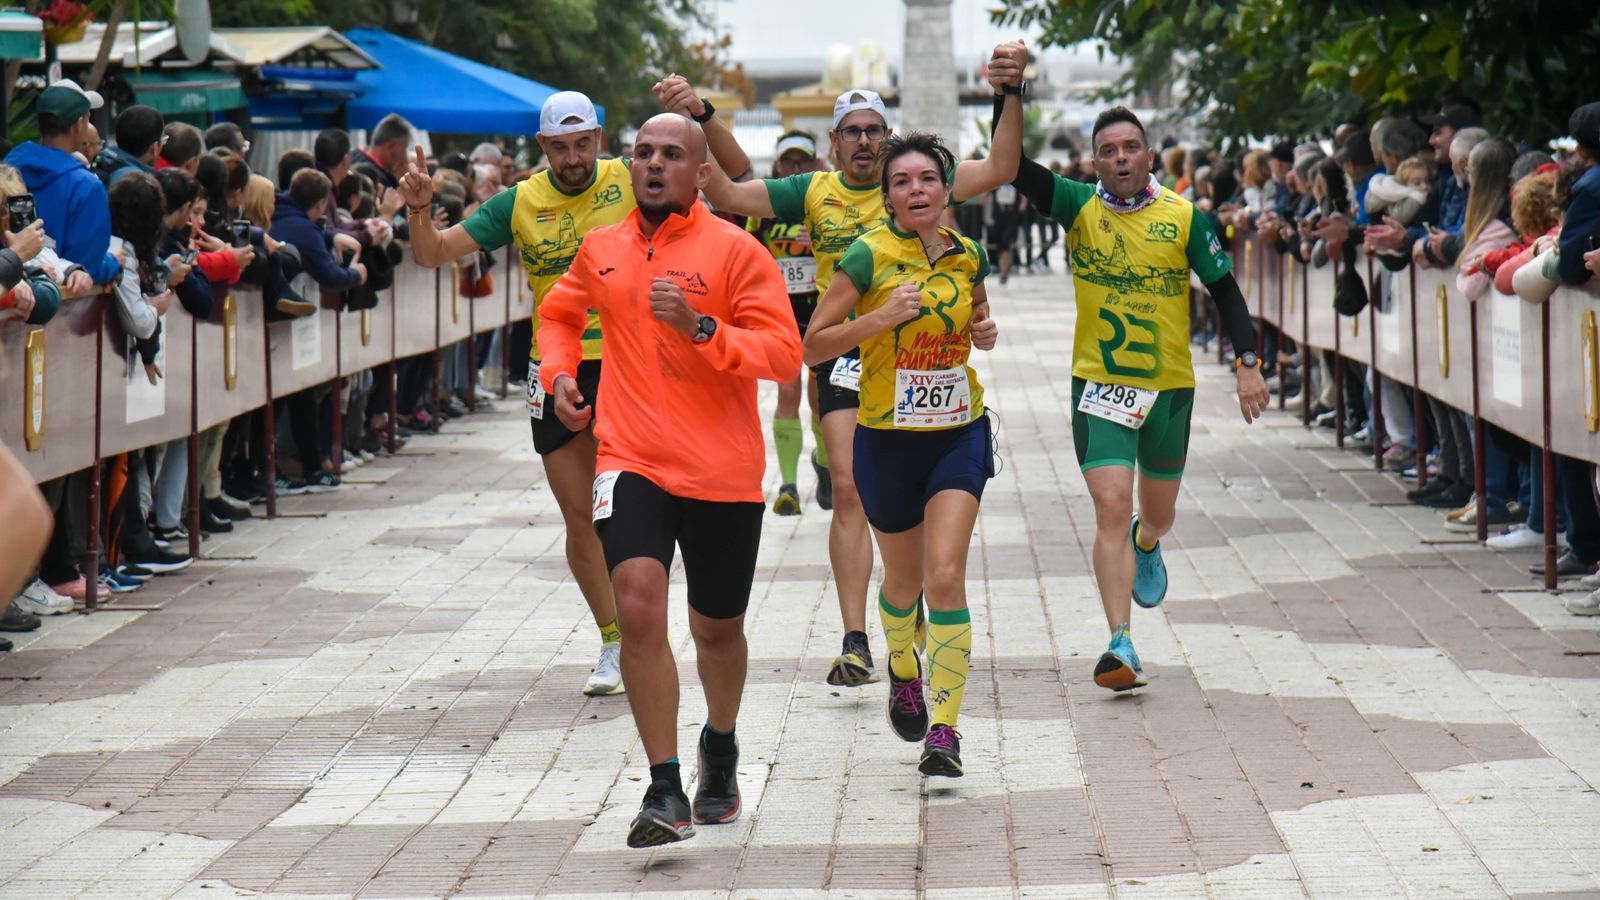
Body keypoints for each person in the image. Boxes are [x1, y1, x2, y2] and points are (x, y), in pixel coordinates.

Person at [652, 39, 1027, 688]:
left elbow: (999, 165)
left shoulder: (922, 180)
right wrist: (704, 115)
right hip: (847, 355)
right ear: (832, 143)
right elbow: (738, 196)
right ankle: (855, 637)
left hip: (921, 369)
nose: (863, 143)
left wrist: (1010, 91)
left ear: (889, 140)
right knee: (849, 489)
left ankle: (893, 617)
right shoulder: (813, 191)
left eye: (874, 132)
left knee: (887, 519)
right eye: (851, 133)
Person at [537, 112, 801, 847]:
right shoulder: (602, 248)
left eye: (672, 155)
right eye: (644, 153)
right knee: (640, 605)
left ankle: (720, 744)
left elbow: (783, 355)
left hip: (722, 472)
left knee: (717, 632)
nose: (655, 165)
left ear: (701, 173)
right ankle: (664, 787)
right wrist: (559, 376)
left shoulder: (737, 252)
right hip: (631, 458)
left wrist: (703, 329)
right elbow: (557, 314)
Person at [1002, 105, 1267, 690]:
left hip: (1169, 388)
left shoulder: (1184, 217)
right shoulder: (1078, 206)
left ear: (1148, 155)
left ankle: (1147, 542)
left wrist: (1249, 365)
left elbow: (1226, 293)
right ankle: (1120, 641)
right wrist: (1010, 93)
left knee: (1157, 513)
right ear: (1094, 161)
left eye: (1130, 147)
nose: (1119, 158)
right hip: (1098, 385)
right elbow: (1014, 167)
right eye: (1107, 150)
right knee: (1110, 505)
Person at [396, 91, 632, 697]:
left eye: (583, 144)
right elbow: (432, 254)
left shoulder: (631, 181)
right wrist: (419, 212)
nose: (573, 158)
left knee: (630, 514)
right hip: (555, 371)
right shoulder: (521, 200)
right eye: (560, 147)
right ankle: (613, 640)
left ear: (600, 140)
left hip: (632, 364)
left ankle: (643, 627)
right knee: (580, 518)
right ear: (542, 146)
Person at [803, 131, 998, 777]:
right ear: (887, 198)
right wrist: (878, 320)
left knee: (945, 576)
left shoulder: (969, 254)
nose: (915, 190)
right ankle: (904, 665)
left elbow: (978, 317)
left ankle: (945, 729)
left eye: (926, 180)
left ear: (946, 190)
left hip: (957, 433)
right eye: (901, 182)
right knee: (905, 584)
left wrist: (984, 329)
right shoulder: (866, 256)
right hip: (885, 440)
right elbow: (814, 345)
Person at [745, 130, 825, 516]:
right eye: (789, 162)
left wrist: (821, 242)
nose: (795, 168)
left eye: (803, 161)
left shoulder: (826, 203)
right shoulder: (763, 207)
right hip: (782, 317)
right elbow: (746, 254)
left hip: (823, 315)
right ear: (777, 165)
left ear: (815, 163)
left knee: (821, 400)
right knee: (787, 395)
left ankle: (825, 467)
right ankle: (788, 485)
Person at [5, 79, 121, 286]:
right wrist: (114, 263)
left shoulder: (5, 171)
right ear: (79, 125)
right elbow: (87, 268)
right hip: (63, 310)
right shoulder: (86, 186)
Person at [95, 105, 164, 185]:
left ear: (116, 139)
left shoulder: (99, 165)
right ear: (154, 148)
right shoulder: (142, 185)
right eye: (163, 141)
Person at [350, 114, 413, 189]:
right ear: (391, 146)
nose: (404, 156)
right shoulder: (380, 180)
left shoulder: (353, 155)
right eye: (404, 148)